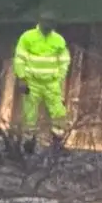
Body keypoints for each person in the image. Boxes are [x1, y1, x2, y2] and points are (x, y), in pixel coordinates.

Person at [13, 10, 71, 153]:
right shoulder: (28, 37)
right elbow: (20, 58)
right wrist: (21, 78)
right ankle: (29, 143)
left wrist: (59, 77)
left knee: (58, 112)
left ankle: (57, 143)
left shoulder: (58, 40)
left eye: (51, 22)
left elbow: (64, 60)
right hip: (32, 82)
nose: (48, 24)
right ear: (40, 21)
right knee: (30, 114)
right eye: (46, 21)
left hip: (51, 83)